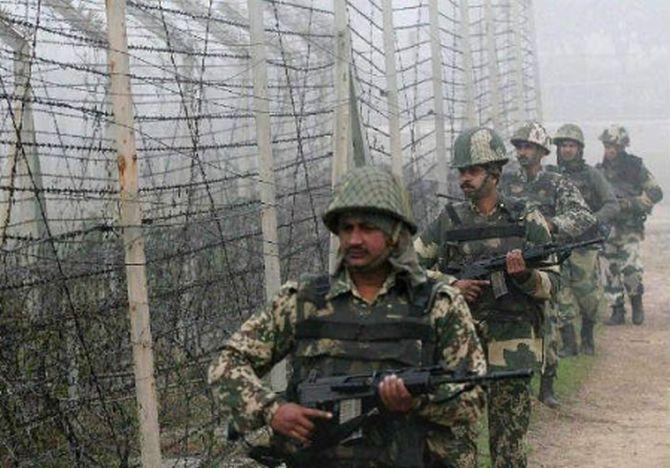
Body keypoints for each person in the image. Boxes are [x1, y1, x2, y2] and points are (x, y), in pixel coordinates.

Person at [208, 165, 487, 467]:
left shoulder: (438, 303)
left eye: (368, 228)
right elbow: (227, 363)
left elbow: (473, 399)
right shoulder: (304, 301)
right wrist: (271, 410)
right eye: (346, 228)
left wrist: (418, 400)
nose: (354, 239)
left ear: (394, 234)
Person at [415, 127, 559, 468]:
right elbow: (408, 270)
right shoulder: (448, 222)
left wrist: (525, 276)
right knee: (457, 449)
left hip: (512, 348)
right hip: (460, 347)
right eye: (461, 171)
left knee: (509, 448)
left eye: (472, 171)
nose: (464, 178)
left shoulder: (526, 219)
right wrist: (452, 284)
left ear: (495, 173)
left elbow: (554, 283)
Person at [501, 121, 596, 407]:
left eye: (528, 146)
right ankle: (514, 381)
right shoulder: (505, 183)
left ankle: (547, 384)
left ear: (542, 150)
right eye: (519, 146)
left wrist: (552, 224)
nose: (522, 152)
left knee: (548, 321)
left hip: (544, 263)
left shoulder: (557, 183)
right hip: (508, 260)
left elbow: (583, 215)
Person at [551, 123, 619, 355]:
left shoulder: (592, 175)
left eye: (571, 145)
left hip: (584, 246)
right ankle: (569, 343)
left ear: (579, 149)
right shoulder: (551, 176)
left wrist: (591, 220)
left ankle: (588, 337)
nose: (567, 150)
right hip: (558, 245)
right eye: (563, 146)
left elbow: (612, 204)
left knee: (588, 296)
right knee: (561, 294)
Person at [596, 125, 663, 325]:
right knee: (609, 270)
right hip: (608, 230)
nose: (610, 150)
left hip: (629, 229)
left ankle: (636, 303)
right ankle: (617, 309)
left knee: (631, 269)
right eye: (607, 145)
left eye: (614, 145)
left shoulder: (636, 168)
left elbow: (655, 192)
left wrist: (631, 203)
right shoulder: (598, 172)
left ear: (623, 146)